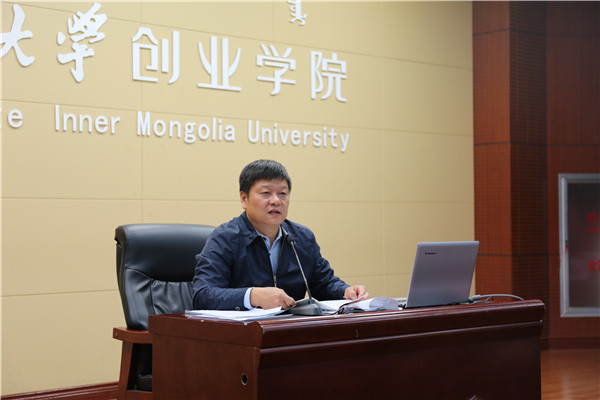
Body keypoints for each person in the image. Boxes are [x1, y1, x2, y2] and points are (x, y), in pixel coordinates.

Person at [193, 159, 368, 310]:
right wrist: (252, 296)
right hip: (243, 333)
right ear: (244, 199)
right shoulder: (225, 238)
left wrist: (346, 292)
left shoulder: (302, 238)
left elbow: (324, 283)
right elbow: (203, 295)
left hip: (289, 331)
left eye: (282, 193)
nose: (276, 201)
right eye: (266, 193)